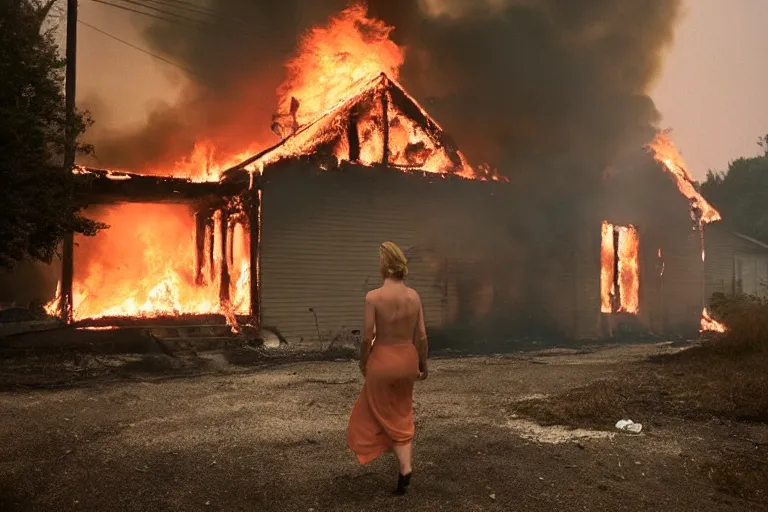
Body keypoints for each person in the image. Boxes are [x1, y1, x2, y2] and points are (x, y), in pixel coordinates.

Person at [346, 241, 429, 496]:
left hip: (382, 360)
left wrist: (363, 361)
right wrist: (422, 365)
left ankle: (382, 451)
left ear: (383, 266)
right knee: (401, 412)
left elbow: (366, 336)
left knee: (372, 411)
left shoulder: (373, 297)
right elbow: (422, 336)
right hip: (407, 361)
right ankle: (405, 467)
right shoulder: (414, 297)